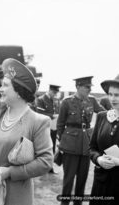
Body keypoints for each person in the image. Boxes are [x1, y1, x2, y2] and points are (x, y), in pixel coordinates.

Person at [0, 58, 53, 205]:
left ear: (19, 92)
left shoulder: (38, 122)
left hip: (15, 195)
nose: (0, 89)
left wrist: (9, 172)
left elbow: (45, 161)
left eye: (5, 85)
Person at [57, 76, 105, 205]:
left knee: (82, 180)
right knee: (68, 180)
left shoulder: (92, 100)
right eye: (86, 87)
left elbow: (104, 114)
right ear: (77, 87)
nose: (89, 90)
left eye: (90, 87)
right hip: (70, 145)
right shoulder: (66, 102)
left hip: (86, 145)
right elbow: (60, 125)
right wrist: (63, 143)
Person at [89, 74, 119, 205]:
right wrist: (98, 159)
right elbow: (92, 148)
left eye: (117, 95)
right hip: (101, 182)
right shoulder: (102, 117)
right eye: (110, 94)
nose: (113, 99)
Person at [36, 85, 61, 153]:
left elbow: (57, 110)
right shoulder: (41, 99)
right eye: (54, 93)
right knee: (44, 149)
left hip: (53, 128)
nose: (55, 94)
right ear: (50, 90)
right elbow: (39, 114)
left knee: (52, 148)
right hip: (44, 128)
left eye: (56, 93)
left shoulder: (55, 100)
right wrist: (52, 115)